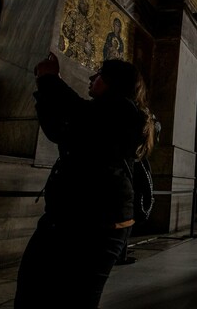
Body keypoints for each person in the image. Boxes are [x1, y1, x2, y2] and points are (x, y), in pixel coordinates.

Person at [14, 52, 155, 308]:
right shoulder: (101, 115)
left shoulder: (123, 111)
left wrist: (50, 79)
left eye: (100, 74)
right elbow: (59, 130)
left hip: (98, 227)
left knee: (74, 299)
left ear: (114, 82)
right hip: (70, 219)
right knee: (32, 292)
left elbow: (77, 112)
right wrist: (43, 90)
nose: (92, 77)